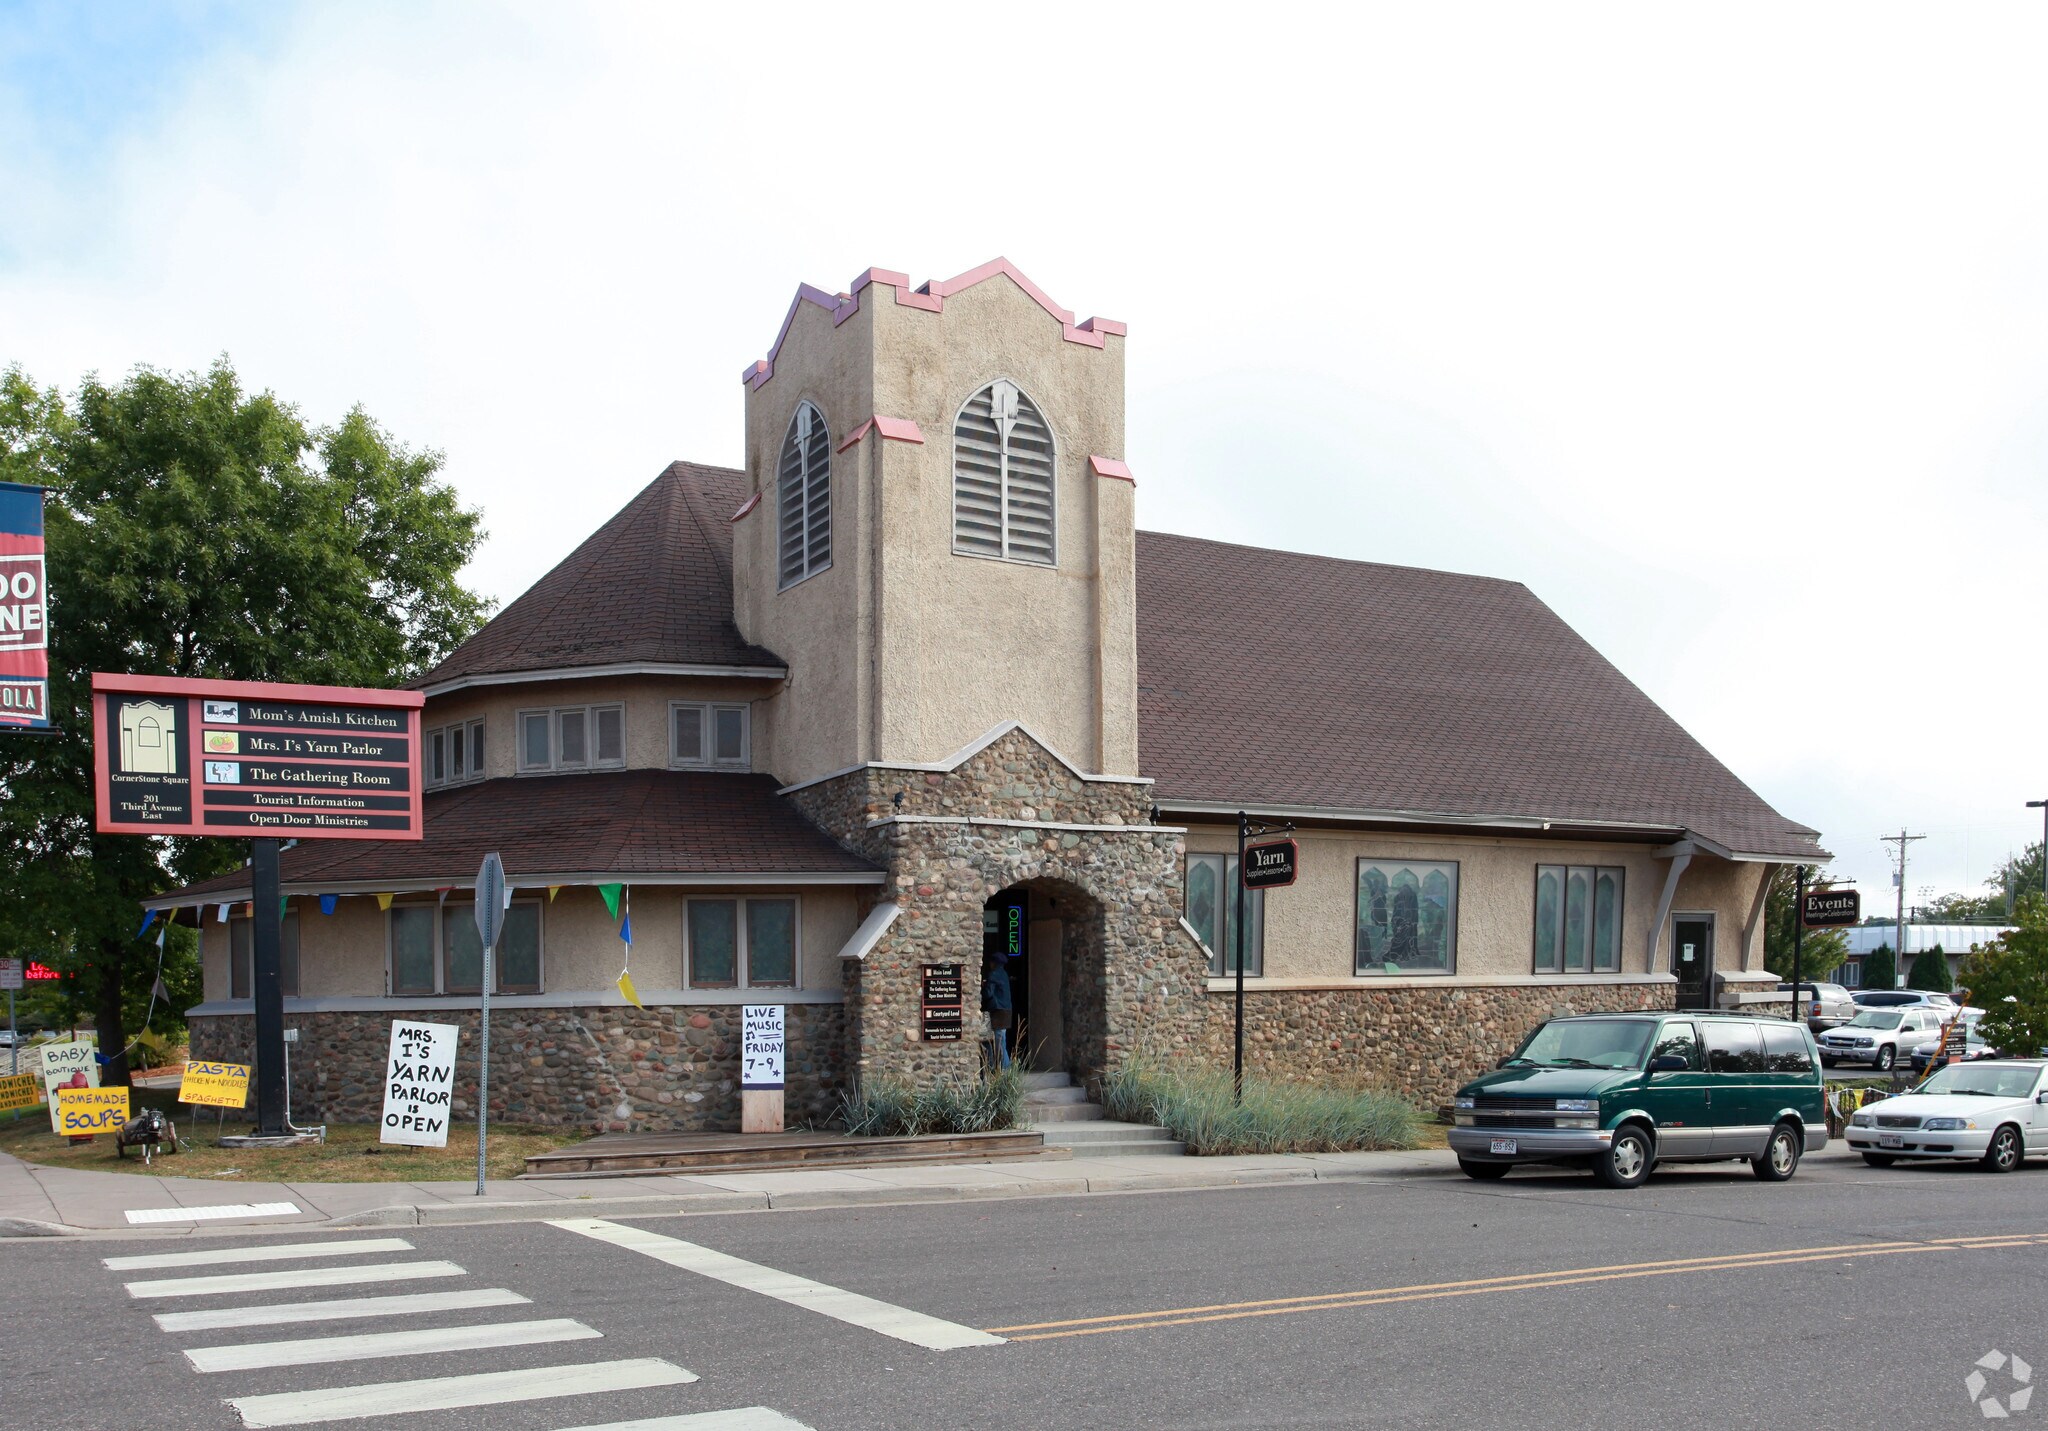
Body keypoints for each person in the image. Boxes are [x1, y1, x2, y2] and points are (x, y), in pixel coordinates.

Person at [981, 958, 1013, 1069]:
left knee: (999, 1044)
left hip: (998, 1012)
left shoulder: (993, 974)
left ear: (993, 963)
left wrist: (982, 988)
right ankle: (1004, 1068)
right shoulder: (1004, 974)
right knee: (1002, 1041)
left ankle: (1005, 1070)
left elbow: (988, 993)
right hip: (1006, 1011)